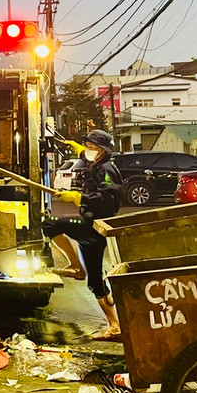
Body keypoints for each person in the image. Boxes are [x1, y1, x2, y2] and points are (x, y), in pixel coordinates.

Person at [44, 129, 122, 341]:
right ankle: (78, 268)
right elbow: (88, 157)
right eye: (86, 146)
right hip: (89, 222)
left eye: (92, 147)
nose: (88, 151)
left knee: (51, 225)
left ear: (103, 150)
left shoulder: (107, 169)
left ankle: (114, 325)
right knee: (95, 276)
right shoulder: (97, 163)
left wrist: (79, 198)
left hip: (94, 225)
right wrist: (78, 149)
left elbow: (108, 197)